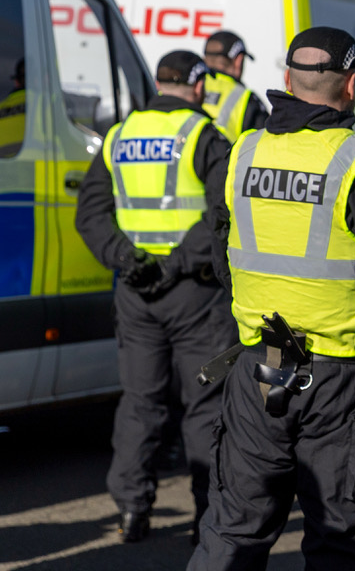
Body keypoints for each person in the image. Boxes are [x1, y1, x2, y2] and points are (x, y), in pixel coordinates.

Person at [190, 27, 355, 570]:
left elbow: (219, 253)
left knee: (231, 533)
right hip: (340, 382)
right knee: (344, 541)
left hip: (258, 370)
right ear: (352, 85)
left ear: (286, 80)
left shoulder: (242, 152)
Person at [75, 50, 237, 544]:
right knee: (205, 405)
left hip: (137, 292)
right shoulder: (204, 135)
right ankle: (207, 515)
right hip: (194, 292)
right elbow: (221, 214)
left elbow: (91, 214)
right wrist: (175, 263)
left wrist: (128, 259)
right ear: (196, 84)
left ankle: (130, 511)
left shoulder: (119, 136)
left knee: (140, 402)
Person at [202, 30, 268, 140]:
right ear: (239, 60)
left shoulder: (189, 88)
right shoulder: (245, 98)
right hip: (226, 157)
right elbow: (264, 142)